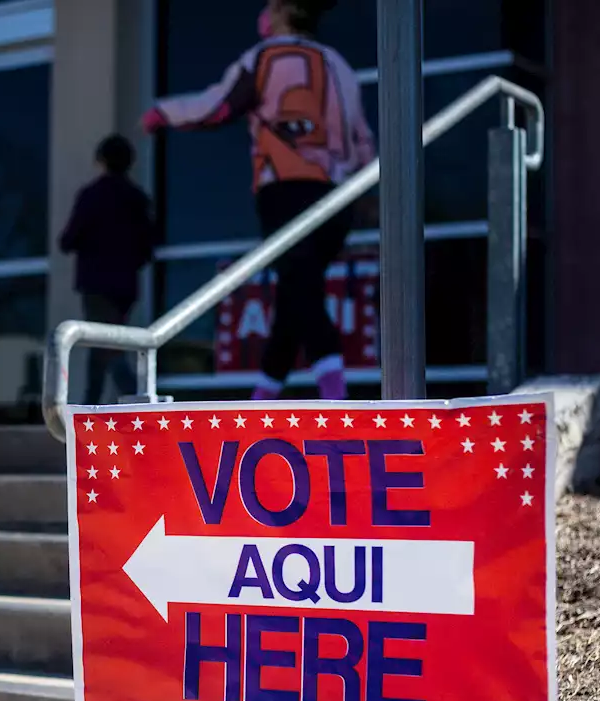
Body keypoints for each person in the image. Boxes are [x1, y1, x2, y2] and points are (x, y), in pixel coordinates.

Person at [141, 0, 374, 401]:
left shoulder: (265, 57)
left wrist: (163, 113)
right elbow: (363, 141)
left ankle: (335, 396)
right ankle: (263, 398)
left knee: (300, 290)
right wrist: (367, 195)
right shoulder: (340, 65)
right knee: (295, 292)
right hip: (337, 196)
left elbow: (218, 106)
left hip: (286, 189)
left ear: (283, 9)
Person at [59, 134, 156, 406]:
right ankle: (88, 407)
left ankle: (141, 401)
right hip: (125, 286)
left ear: (101, 160)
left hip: (96, 285)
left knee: (108, 347)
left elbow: (68, 240)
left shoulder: (92, 196)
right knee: (101, 346)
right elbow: (148, 247)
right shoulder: (137, 199)